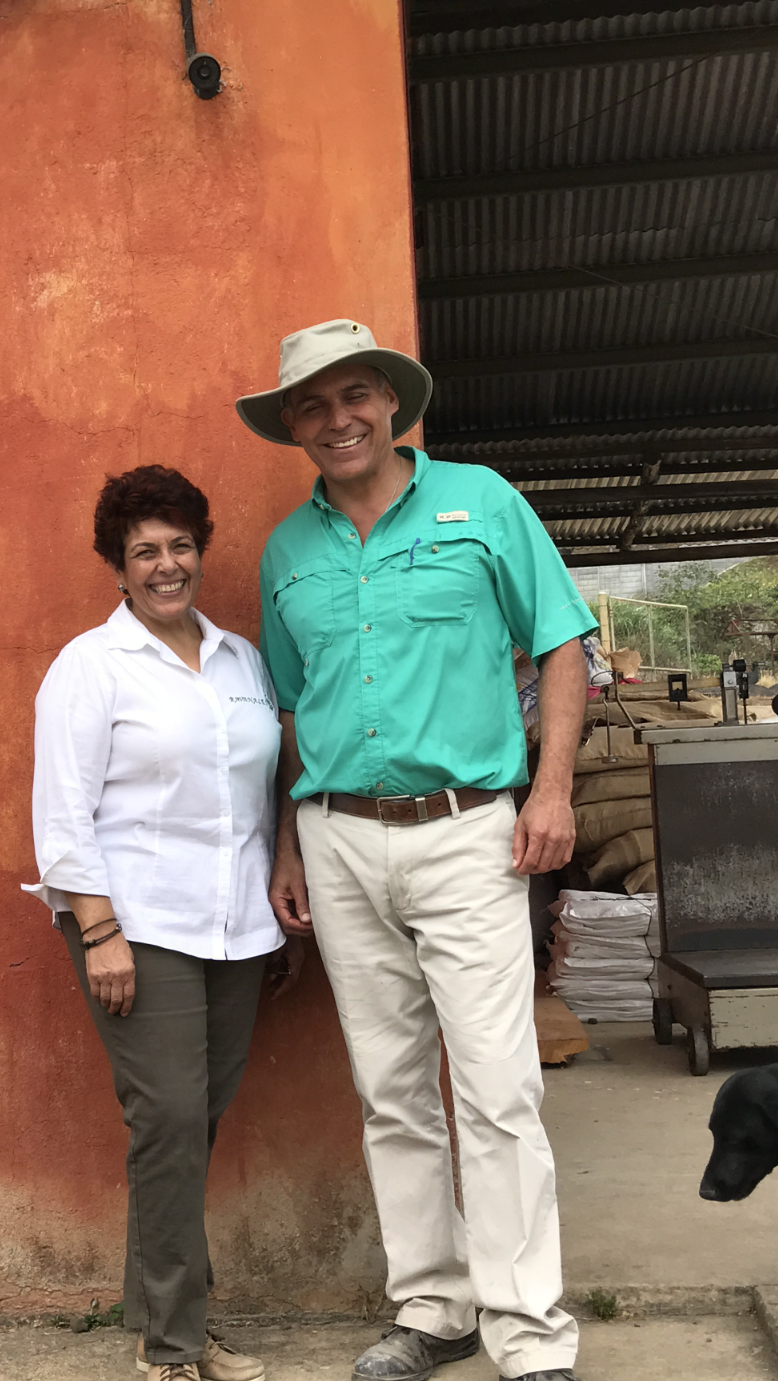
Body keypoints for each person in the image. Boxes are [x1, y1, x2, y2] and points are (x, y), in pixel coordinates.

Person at [235, 320, 597, 1381]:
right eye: (312, 404)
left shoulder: (481, 502)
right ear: (293, 425)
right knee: (390, 1089)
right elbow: (290, 710)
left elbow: (561, 640)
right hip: (337, 837)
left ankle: (526, 1330)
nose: (337, 418)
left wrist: (552, 787)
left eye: (355, 394)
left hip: (469, 831)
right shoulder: (287, 551)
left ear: (392, 402)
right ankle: (434, 1308)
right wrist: (287, 843)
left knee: (496, 1086)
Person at [24, 464, 300, 1381]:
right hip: (137, 925)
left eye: (180, 545)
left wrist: (279, 886)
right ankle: (177, 1347)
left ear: (200, 552)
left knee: (189, 1128)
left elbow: (264, 789)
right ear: (118, 566)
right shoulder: (91, 665)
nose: (166, 564)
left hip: (235, 927)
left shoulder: (241, 660)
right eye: (144, 550)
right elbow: (63, 813)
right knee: (171, 1120)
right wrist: (98, 931)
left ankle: (159, 1318)